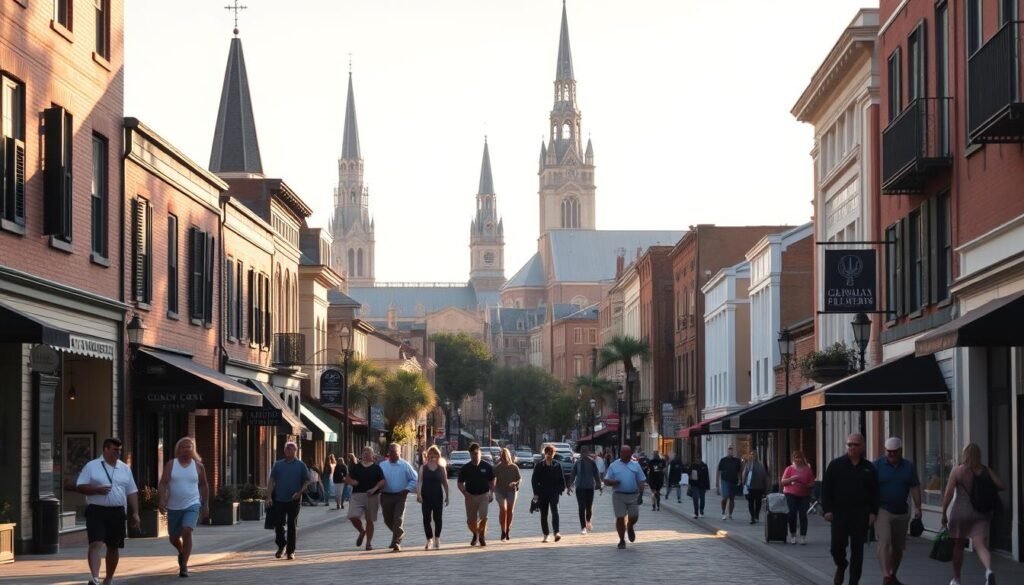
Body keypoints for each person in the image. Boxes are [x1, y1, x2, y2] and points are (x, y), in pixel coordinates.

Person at [76, 437, 140, 585]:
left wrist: (135, 513)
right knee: (96, 543)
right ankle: (95, 578)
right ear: (105, 449)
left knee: (113, 546)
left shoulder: (124, 468)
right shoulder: (92, 466)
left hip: (117, 512)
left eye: (119, 450)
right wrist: (95, 490)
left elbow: (132, 492)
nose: (117, 453)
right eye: (114, 450)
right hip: (96, 511)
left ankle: (109, 578)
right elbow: (80, 486)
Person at [942, 443, 1006, 585]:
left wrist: (944, 513)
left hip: (960, 512)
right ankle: (989, 570)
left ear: (964, 454)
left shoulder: (957, 471)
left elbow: (948, 493)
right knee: (980, 544)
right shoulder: (985, 470)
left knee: (958, 546)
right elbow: (1002, 485)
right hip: (981, 513)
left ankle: (956, 579)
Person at [822, 433, 879, 585]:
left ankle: (854, 581)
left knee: (857, 550)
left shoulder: (869, 468)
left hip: (860, 514)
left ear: (863, 446)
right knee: (836, 547)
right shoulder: (836, 465)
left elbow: (875, 492)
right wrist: (827, 510)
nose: (852, 447)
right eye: (849, 444)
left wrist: (873, 512)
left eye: (856, 444)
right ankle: (841, 564)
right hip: (839, 514)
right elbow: (826, 489)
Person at [157, 437, 209, 578]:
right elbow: (163, 483)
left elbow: (204, 485)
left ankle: (184, 565)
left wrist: (205, 505)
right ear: (178, 449)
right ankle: (181, 551)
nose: (186, 449)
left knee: (187, 529)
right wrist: (162, 500)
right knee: (173, 538)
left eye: (189, 447)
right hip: (174, 506)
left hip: (192, 504)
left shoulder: (198, 466)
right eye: (183, 447)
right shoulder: (171, 464)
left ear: (193, 450)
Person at [873, 437, 922, 585]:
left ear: (901, 451)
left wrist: (918, 507)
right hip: (882, 509)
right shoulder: (877, 465)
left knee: (898, 546)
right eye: (889, 452)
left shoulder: (908, 467)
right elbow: (869, 487)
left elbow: (914, 486)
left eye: (894, 452)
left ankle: (893, 573)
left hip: (902, 510)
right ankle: (886, 574)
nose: (891, 455)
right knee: (885, 541)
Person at [266, 441, 310, 560]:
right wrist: (269, 496)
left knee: (292, 524)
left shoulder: (301, 465)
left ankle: (291, 551)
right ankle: (281, 545)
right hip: (279, 499)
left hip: (294, 500)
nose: (288, 450)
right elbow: (272, 480)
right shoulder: (278, 464)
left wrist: (300, 492)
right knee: (278, 525)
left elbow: (307, 481)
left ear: (295, 451)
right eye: (286, 448)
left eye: (290, 448)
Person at [603, 445, 646, 550]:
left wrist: (641, 494)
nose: (624, 455)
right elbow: (606, 481)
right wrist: (612, 482)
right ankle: (622, 540)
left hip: (633, 494)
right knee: (620, 517)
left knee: (634, 516)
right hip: (619, 495)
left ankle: (630, 526)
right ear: (620, 453)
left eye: (627, 453)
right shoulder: (614, 465)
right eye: (623, 453)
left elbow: (641, 480)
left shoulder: (636, 465)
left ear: (630, 454)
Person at [378, 443, 418, 552]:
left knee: (397, 519)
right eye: (390, 451)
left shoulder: (405, 465)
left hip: (400, 496)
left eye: (394, 452)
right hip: (385, 496)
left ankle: (396, 542)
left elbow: (415, 479)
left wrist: (407, 489)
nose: (392, 454)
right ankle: (399, 533)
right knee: (387, 520)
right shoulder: (383, 465)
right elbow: (377, 478)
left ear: (399, 452)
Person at [346, 446, 386, 551]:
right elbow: (348, 478)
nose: (366, 453)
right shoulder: (356, 467)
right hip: (357, 495)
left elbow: (382, 481)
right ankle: (362, 531)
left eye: (368, 452)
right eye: (364, 451)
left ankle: (368, 543)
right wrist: (352, 482)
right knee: (352, 516)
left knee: (369, 520)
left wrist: (374, 489)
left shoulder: (377, 468)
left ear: (372, 455)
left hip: (372, 496)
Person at [457, 443, 496, 546]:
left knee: (483, 516)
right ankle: (475, 533)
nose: (475, 456)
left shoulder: (487, 466)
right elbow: (460, 483)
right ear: (470, 455)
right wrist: (465, 493)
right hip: (470, 496)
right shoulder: (466, 468)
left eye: (477, 453)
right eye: (473, 454)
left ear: (480, 453)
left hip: (484, 495)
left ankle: (482, 536)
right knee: (471, 521)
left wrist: (491, 493)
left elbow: (492, 480)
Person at [533, 444, 569, 542]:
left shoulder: (557, 465)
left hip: (554, 492)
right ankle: (546, 534)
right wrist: (536, 493)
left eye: (552, 453)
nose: (550, 455)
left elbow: (562, 478)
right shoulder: (539, 465)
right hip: (542, 493)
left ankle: (556, 532)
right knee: (544, 514)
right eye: (548, 453)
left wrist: (561, 489)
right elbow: (534, 480)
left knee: (555, 512)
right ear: (545, 453)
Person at [416, 445, 449, 549]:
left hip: (438, 496)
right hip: (426, 496)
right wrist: (419, 494)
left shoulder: (441, 468)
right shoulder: (423, 468)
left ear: (438, 455)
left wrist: (447, 496)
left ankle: (437, 538)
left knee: (437, 518)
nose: (432, 456)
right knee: (426, 519)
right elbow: (420, 482)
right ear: (427, 455)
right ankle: (429, 539)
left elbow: (445, 482)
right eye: (430, 454)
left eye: (434, 454)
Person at [781, 450, 814, 545]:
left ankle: (803, 536)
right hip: (790, 494)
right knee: (792, 514)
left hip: (804, 494)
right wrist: (792, 479)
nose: (798, 459)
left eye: (799, 457)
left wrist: (807, 485)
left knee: (803, 514)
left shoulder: (807, 469)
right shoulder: (789, 469)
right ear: (793, 459)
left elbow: (812, 481)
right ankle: (793, 535)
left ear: (802, 458)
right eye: (796, 458)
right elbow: (783, 481)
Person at [570, 446, 602, 534]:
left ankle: (588, 521)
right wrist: (569, 486)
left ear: (588, 453)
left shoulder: (592, 462)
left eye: (585, 452)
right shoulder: (578, 463)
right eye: (582, 452)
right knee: (581, 507)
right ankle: (583, 527)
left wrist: (599, 485)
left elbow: (596, 474)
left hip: (589, 487)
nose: (583, 454)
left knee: (588, 507)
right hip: (580, 487)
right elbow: (573, 474)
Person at [493, 447, 521, 541]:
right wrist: (491, 490)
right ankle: (503, 531)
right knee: (503, 509)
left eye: (505, 457)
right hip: (499, 490)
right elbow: (493, 479)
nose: (504, 460)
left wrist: (515, 483)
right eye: (502, 457)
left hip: (511, 490)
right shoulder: (497, 468)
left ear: (508, 457)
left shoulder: (514, 467)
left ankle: (508, 529)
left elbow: (519, 479)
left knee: (509, 510)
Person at [742, 451, 769, 523]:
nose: (753, 456)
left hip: (759, 487)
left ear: (757, 456)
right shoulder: (748, 465)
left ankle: (756, 515)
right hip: (750, 487)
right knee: (750, 503)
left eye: (754, 455)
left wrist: (766, 488)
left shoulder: (761, 465)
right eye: (751, 455)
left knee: (758, 503)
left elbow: (764, 477)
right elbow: (744, 475)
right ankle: (752, 517)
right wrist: (744, 484)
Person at [717, 446, 742, 520]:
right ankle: (723, 511)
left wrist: (741, 480)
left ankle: (730, 514)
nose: (730, 452)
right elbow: (718, 471)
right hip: (724, 480)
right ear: (727, 451)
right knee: (725, 496)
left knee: (732, 498)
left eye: (732, 451)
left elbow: (740, 471)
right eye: (729, 451)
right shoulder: (723, 460)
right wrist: (717, 483)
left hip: (734, 481)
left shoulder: (737, 461)